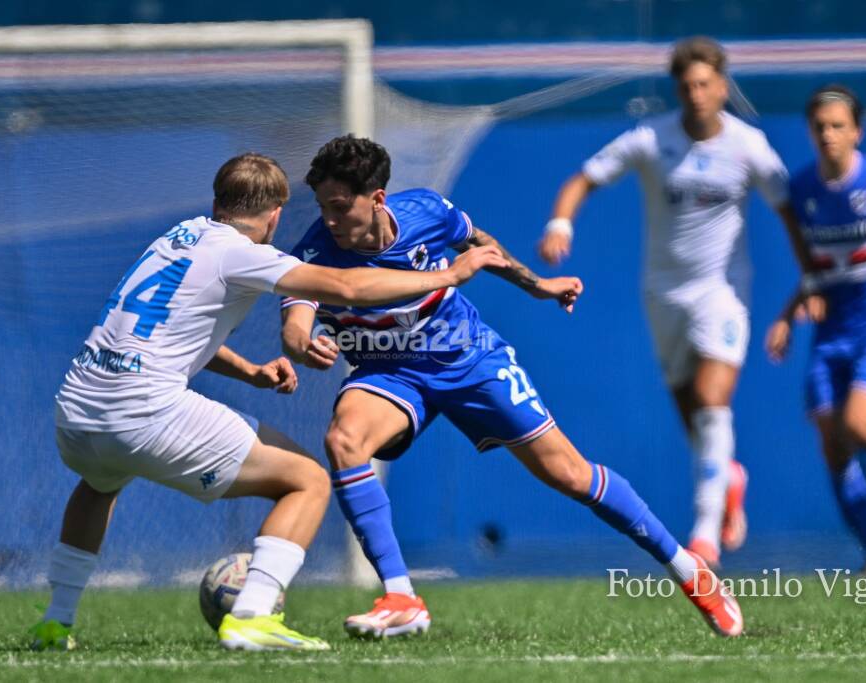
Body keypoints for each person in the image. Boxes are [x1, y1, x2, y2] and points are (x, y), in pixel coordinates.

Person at [28, 152, 508, 652]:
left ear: (217, 202)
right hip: (141, 409)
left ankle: (55, 620)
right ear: (276, 213)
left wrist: (252, 372)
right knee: (306, 480)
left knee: (99, 483)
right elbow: (347, 286)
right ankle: (253, 615)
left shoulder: (176, 237)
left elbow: (169, 333)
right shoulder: (242, 252)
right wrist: (449, 275)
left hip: (77, 409)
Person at [281, 135, 744, 640]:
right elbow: (296, 319)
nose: (329, 220)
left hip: (468, 358)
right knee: (344, 441)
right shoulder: (314, 249)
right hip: (387, 372)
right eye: (324, 208)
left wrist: (539, 286)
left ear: (377, 199)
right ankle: (401, 597)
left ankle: (690, 571)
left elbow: (481, 244)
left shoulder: (427, 212)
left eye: (339, 208)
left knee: (570, 474)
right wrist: (302, 342)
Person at [538, 36, 801, 568]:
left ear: (722, 87)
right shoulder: (649, 140)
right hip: (663, 294)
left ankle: (704, 536)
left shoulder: (749, 146)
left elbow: (790, 210)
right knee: (691, 412)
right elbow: (582, 179)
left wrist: (811, 282)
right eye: (687, 86)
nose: (697, 94)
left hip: (723, 294)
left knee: (711, 401)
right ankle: (728, 477)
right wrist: (560, 222)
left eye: (705, 84)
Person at [765, 85, 866, 577]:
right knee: (832, 444)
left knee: (859, 425)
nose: (828, 135)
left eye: (837, 125)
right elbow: (821, 267)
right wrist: (789, 313)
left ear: (857, 131)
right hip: (832, 329)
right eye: (820, 127)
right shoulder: (804, 188)